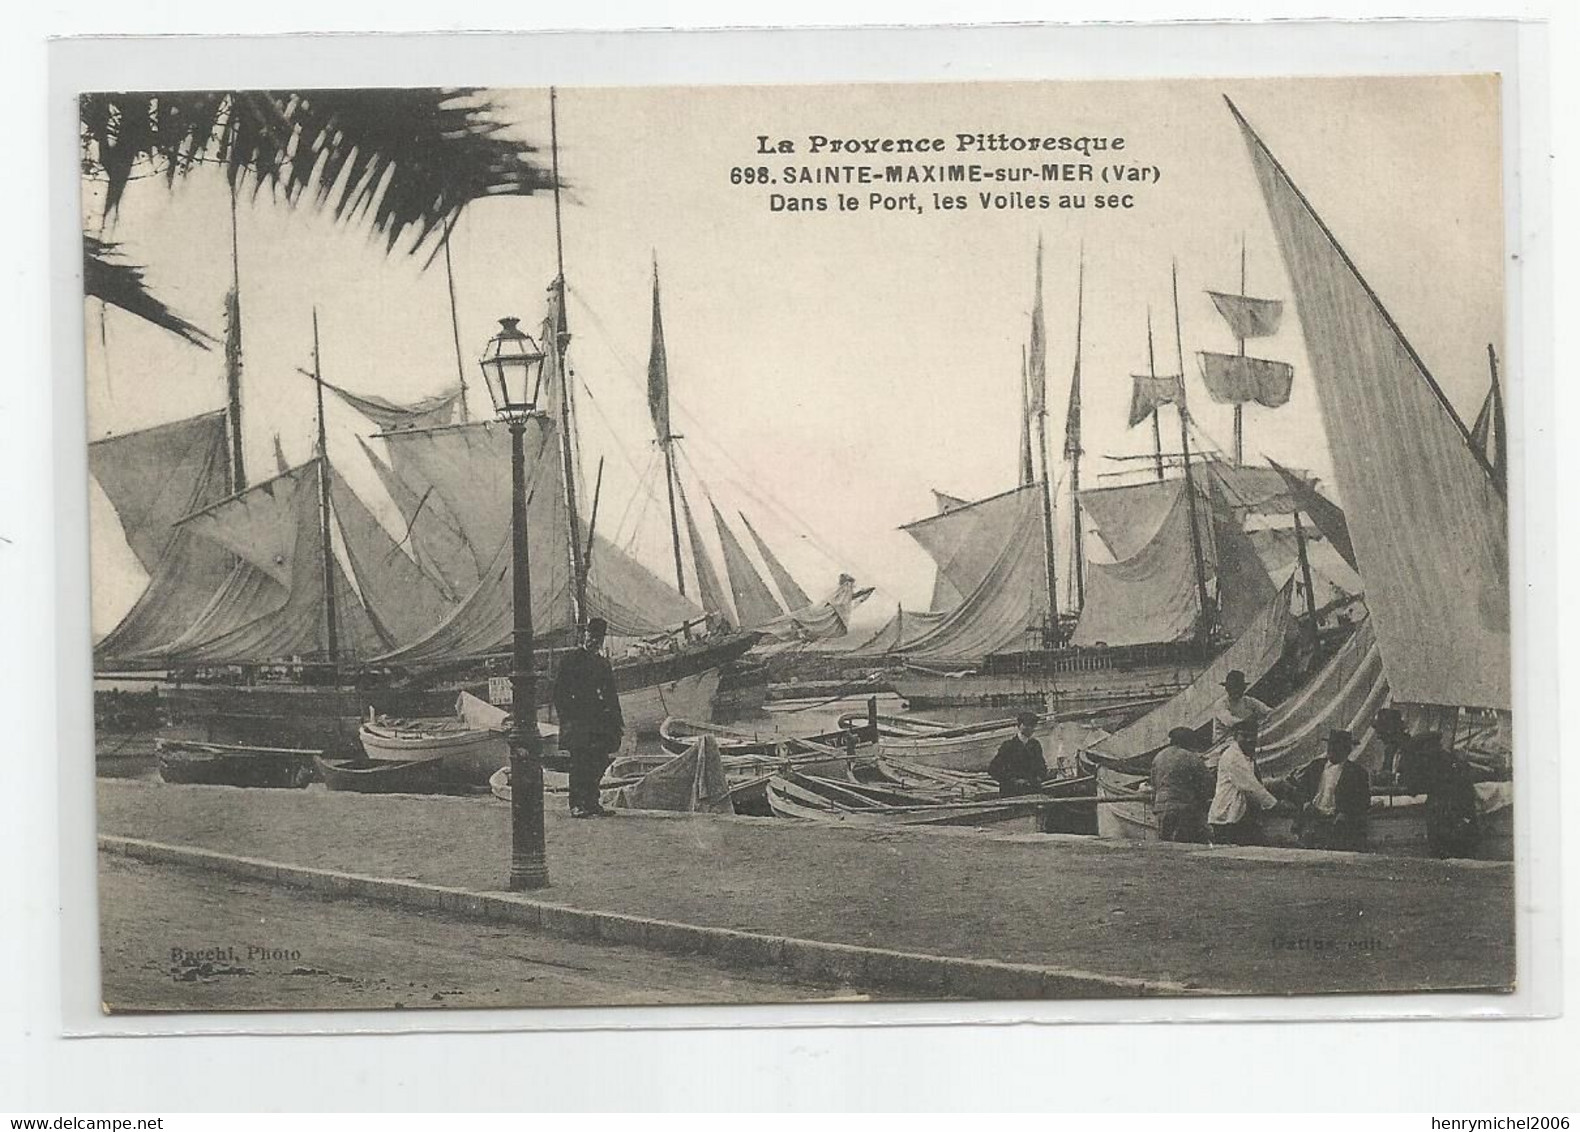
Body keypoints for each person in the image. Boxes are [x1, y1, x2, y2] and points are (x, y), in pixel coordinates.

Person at [552, 617, 624, 818]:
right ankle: (576, 804)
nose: (594, 641)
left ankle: (592, 802)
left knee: (598, 761)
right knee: (579, 762)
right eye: (591, 636)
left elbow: (611, 695)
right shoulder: (570, 660)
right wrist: (567, 718)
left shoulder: (603, 664)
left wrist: (617, 722)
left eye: (598, 638)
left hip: (599, 722)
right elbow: (559, 692)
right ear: (585, 635)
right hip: (577, 721)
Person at [1399, 731, 1480, 859]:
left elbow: (1413, 787)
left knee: (1441, 855)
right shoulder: (1452, 760)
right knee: (1463, 855)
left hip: (1442, 813)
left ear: (1425, 747)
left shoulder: (1428, 763)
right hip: (1463, 814)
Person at [1290, 729, 1371, 851]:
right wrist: (1306, 803)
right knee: (1307, 843)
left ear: (1347, 751)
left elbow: (1363, 801)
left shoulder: (1357, 773)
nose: (1331, 750)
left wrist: (1346, 813)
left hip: (1338, 819)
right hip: (1313, 815)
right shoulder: (1315, 766)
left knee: (1338, 845)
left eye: (1337, 747)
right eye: (1330, 746)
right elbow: (1301, 789)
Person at [1207, 718, 1280, 846]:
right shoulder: (1233, 756)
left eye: (1253, 736)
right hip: (1228, 816)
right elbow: (1250, 786)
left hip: (1238, 814)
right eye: (1244, 736)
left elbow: (1254, 782)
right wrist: (1274, 805)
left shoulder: (1246, 755)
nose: (1249, 740)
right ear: (1235, 736)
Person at [1149, 726, 1214, 843]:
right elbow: (1207, 784)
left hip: (1161, 807)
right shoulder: (1192, 758)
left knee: (1165, 843)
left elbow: (1154, 783)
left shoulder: (1158, 757)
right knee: (1183, 844)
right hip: (1183, 808)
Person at [987, 712, 1048, 797]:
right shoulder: (1008, 746)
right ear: (1019, 726)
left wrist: (1038, 778)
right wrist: (1013, 780)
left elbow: (1042, 767)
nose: (1030, 728)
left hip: (1032, 791)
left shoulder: (1035, 745)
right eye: (1026, 725)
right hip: (1012, 792)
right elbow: (993, 769)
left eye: (1033, 726)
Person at [1212, 670, 1272, 743]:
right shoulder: (1220, 704)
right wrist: (1249, 723)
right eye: (1233, 688)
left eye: (1239, 688)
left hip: (1245, 736)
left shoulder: (1249, 701)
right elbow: (1229, 721)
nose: (1236, 691)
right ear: (1227, 689)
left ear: (1243, 688)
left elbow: (1268, 711)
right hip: (1224, 741)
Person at [1373, 708, 1411, 785]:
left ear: (1391, 730)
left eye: (1381, 733)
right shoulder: (1389, 750)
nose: (1379, 737)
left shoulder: (1411, 749)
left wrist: (1392, 777)